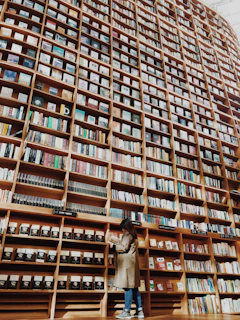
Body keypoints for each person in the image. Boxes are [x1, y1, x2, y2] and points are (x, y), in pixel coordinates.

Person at [113, 218, 144, 319]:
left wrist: (114, 245)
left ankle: (126, 311)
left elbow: (123, 247)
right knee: (134, 287)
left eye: (122, 228)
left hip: (127, 265)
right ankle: (140, 311)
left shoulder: (127, 235)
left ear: (125, 228)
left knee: (127, 287)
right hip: (132, 264)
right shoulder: (134, 236)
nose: (122, 230)